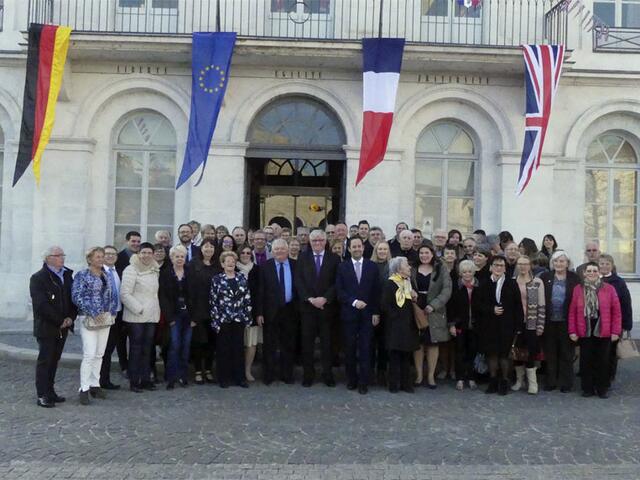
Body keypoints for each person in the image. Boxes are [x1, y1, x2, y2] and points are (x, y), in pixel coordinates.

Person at [31, 246, 77, 407]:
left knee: (54, 360)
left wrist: (71, 317)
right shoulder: (39, 278)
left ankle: (51, 391)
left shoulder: (67, 275)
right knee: (45, 361)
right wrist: (60, 320)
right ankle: (42, 394)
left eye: (62, 255)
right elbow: (41, 305)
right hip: (47, 326)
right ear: (47, 258)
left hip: (64, 325)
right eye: (58, 255)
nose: (62, 258)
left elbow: (73, 298)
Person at [71, 247, 118, 405]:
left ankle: (95, 384)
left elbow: (112, 295)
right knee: (89, 354)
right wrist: (93, 311)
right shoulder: (82, 275)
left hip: (105, 318)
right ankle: (83, 388)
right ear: (89, 259)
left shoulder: (106, 275)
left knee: (100, 354)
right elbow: (77, 296)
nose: (100, 259)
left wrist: (111, 312)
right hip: (89, 318)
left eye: (102, 256)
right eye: (97, 257)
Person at [568, 262, 622, 398]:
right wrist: (572, 331)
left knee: (603, 361)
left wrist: (616, 331)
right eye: (589, 271)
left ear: (599, 273)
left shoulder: (609, 289)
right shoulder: (578, 289)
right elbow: (572, 312)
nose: (592, 273)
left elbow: (616, 311)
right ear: (584, 273)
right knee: (586, 361)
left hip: (603, 330)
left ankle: (601, 389)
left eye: (594, 271)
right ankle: (587, 389)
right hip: (585, 330)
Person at [295, 229, 341, 387]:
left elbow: (337, 282)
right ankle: (308, 375)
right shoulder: (302, 257)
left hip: (327, 309)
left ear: (325, 241)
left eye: (320, 240)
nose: (317, 243)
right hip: (308, 308)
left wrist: (325, 299)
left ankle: (327, 374)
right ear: (310, 242)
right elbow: (298, 281)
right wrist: (310, 299)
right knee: (307, 344)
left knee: (327, 344)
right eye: (314, 240)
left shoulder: (334, 259)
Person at [336, 237, 380, 394]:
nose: (356, 249)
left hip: (368, 315)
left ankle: (364, 381)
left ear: (363, 248)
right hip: (349, 314)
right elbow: (339, 291)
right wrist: (354, 302)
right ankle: (351, 379)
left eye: (359, 246)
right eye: (353, 246)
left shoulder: (372, 267)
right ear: (349, 249)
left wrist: (376, 312)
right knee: (349, 348)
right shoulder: (342, 267)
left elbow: (376, 291)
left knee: (366, 348)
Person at [476, 255, 523, 395]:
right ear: (490, 267)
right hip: (489, 324)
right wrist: (491, 309)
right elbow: (478, 304)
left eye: (501, 265)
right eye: (496, 265)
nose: (498, 268)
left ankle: (504, 381)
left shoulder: (511, 283)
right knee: (492, 354)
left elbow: (518, 306)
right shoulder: (484, 283)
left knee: (504, 355)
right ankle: (492, 381)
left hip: (507, 324)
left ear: (505, 268)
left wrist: (519, 326)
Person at [120, 242, 161, 393]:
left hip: (151, 316)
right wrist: (139, 309)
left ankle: (145, 379)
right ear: (138, 254)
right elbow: (125, 294)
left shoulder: (154, 269)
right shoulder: (131, 269)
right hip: (136, 316)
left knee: (147, 349)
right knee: (136, 349)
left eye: (149, 253)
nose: (146, 255)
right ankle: (134, 381)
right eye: (143, 252)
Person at [256, 239, 298, 384]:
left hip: (290, 310)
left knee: (288, 344)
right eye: (276, 249)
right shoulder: (265, 267)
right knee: (269, 345)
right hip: (270, 311)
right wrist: (259, 312)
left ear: (287, 250)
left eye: (282, 249)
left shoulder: (295, 265)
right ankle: (268, 375)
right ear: (272, 251)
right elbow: (260, 290)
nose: (279, 251)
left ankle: (287, 375)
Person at [412, 244, 452, 388]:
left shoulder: (441, 269)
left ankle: (430, 376)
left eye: (427, 253)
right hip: (416, 307)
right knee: (418, 343)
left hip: (434, 309)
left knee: (433, 343)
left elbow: (447, 290)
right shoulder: (412, 269)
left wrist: (434, 305)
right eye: (421, 253)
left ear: (432, 254)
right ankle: (418, 375)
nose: (424, 255)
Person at [210, 251, 253, 388]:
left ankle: (239, 378)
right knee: (223, 350)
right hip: (223, 319)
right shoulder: (217, 279)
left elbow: (247, 298)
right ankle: (223, 378)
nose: (230, 264)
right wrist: (216, 321)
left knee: (238, 349)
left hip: (239, 319)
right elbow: (213, 301)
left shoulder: (242, 278)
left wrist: (247, 317)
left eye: (233, 262)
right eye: (227, 261)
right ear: (222, 264)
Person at [540, 250, 580, 392]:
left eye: (562, 261)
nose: (559, 263)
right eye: (556, 261)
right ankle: (551, 381)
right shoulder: (545, 277)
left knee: (566, 353)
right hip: (549, 321)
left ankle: (566, 383)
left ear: (567, 263)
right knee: (550, 353)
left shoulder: (575, 279)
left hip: (567, 321)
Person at [380, 257, 419, 393]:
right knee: (395, 356)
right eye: (406, 265)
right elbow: (385, 305)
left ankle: (406, 384)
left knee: (406, 356)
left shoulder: (408, 282)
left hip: (408, 324)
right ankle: (394, 384)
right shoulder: (390, 283)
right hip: (395, 325)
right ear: (399, 269)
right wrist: (396, 316)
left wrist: (414, 296)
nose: (409, 267)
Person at [159, 245, 194, 389]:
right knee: (174, 345)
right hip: (174, 315)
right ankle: (171, 377)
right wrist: (170, 318)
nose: (180, 259)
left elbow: (197, 296)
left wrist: (195, 318)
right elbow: (163, 297)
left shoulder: (191, 273)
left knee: (186, 346)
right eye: (177, 256)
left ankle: (183, 376)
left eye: (182, 256)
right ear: (171, 258)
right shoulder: (166, 274)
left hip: (189, 315)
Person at [188, 239, 220, 384]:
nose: (209, 249)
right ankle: (198, 371)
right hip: (198, 309)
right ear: (201, 249)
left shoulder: (218, 265)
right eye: (206, 246)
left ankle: (208, 370)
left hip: (214, 310)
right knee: (199, 342)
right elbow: (189, 290)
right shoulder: (193, 264)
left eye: (211, 246)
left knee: (211, 343)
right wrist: (191, 313)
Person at [513, 255, 545, 395]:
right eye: (520, 264)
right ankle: (519, 381)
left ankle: (533, 382)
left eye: (525, 264)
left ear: (530, 265)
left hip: (532, 322)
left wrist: (540, 325)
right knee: (517, 352)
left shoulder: (537, 282)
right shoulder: (512, 282)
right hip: (516, 323)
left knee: (531, 352)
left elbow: (542, 304)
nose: (522, 267)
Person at [598, 254, 633, 385]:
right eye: (602, 263)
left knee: (611, 353)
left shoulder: (619, 282)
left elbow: (626, 303)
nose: (604, 266)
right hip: (595, 323)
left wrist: (626, 325)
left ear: (612, 266)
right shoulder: (593, 279)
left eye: (607, 264)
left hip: (613, 324)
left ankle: (608, 378)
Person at [448, 260, 481, 391]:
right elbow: (450, 307)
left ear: (473, 272)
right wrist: (451, 325)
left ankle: (471, 377)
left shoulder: (479, 286)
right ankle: (460, 378)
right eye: (464, 272)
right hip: (460, 324)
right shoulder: (455, 287)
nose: (467, 274)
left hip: (475, 325)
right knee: (460, 352)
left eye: (469, 272)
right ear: (460, 273)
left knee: (473, 351)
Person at [99, 245, 125, 391]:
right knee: (101, 350)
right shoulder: (97, 272)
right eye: (107, 254)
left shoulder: (119, 272)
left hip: (117, 315)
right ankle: (98, 380)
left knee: (109, 349)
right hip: (103, 315)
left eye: (113, 254)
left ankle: (105, 380)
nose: (110, 256)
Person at [237, 245, 262, 382]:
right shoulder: (233, 268)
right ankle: (237, 370)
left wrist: (259, 313)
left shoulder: (257, 270)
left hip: (252, 311)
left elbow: (260, 292)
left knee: (251, 343)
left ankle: (247, 370)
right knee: (237, 342)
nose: (245, 255)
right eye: (243, 253)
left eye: (248, 252)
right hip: (235, 312)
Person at [371, 241, 391, 385]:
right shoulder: (370, 266)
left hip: (389, 311)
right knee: (371, 343)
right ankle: (370, 371)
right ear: (376, 251)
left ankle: (382, 372)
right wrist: (374, 311)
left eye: (385, 249)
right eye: (380, 249)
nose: (382, 251)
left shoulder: (393, 266)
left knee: (384, 343)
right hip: (373, 309)